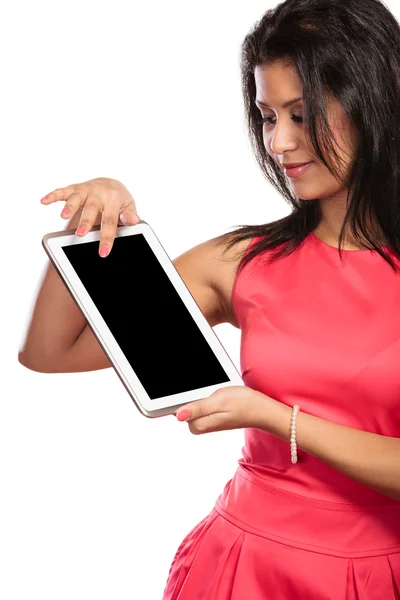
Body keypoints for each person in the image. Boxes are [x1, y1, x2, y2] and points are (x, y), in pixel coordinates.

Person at [18, 0, 400, 597]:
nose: (280, 142)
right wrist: (91, 226)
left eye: (301, 115)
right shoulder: (245, 261)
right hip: (240, 567)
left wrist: (275, 417)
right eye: (268, 116)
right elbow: (51, 351)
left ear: (374, 102)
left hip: (375, 576)